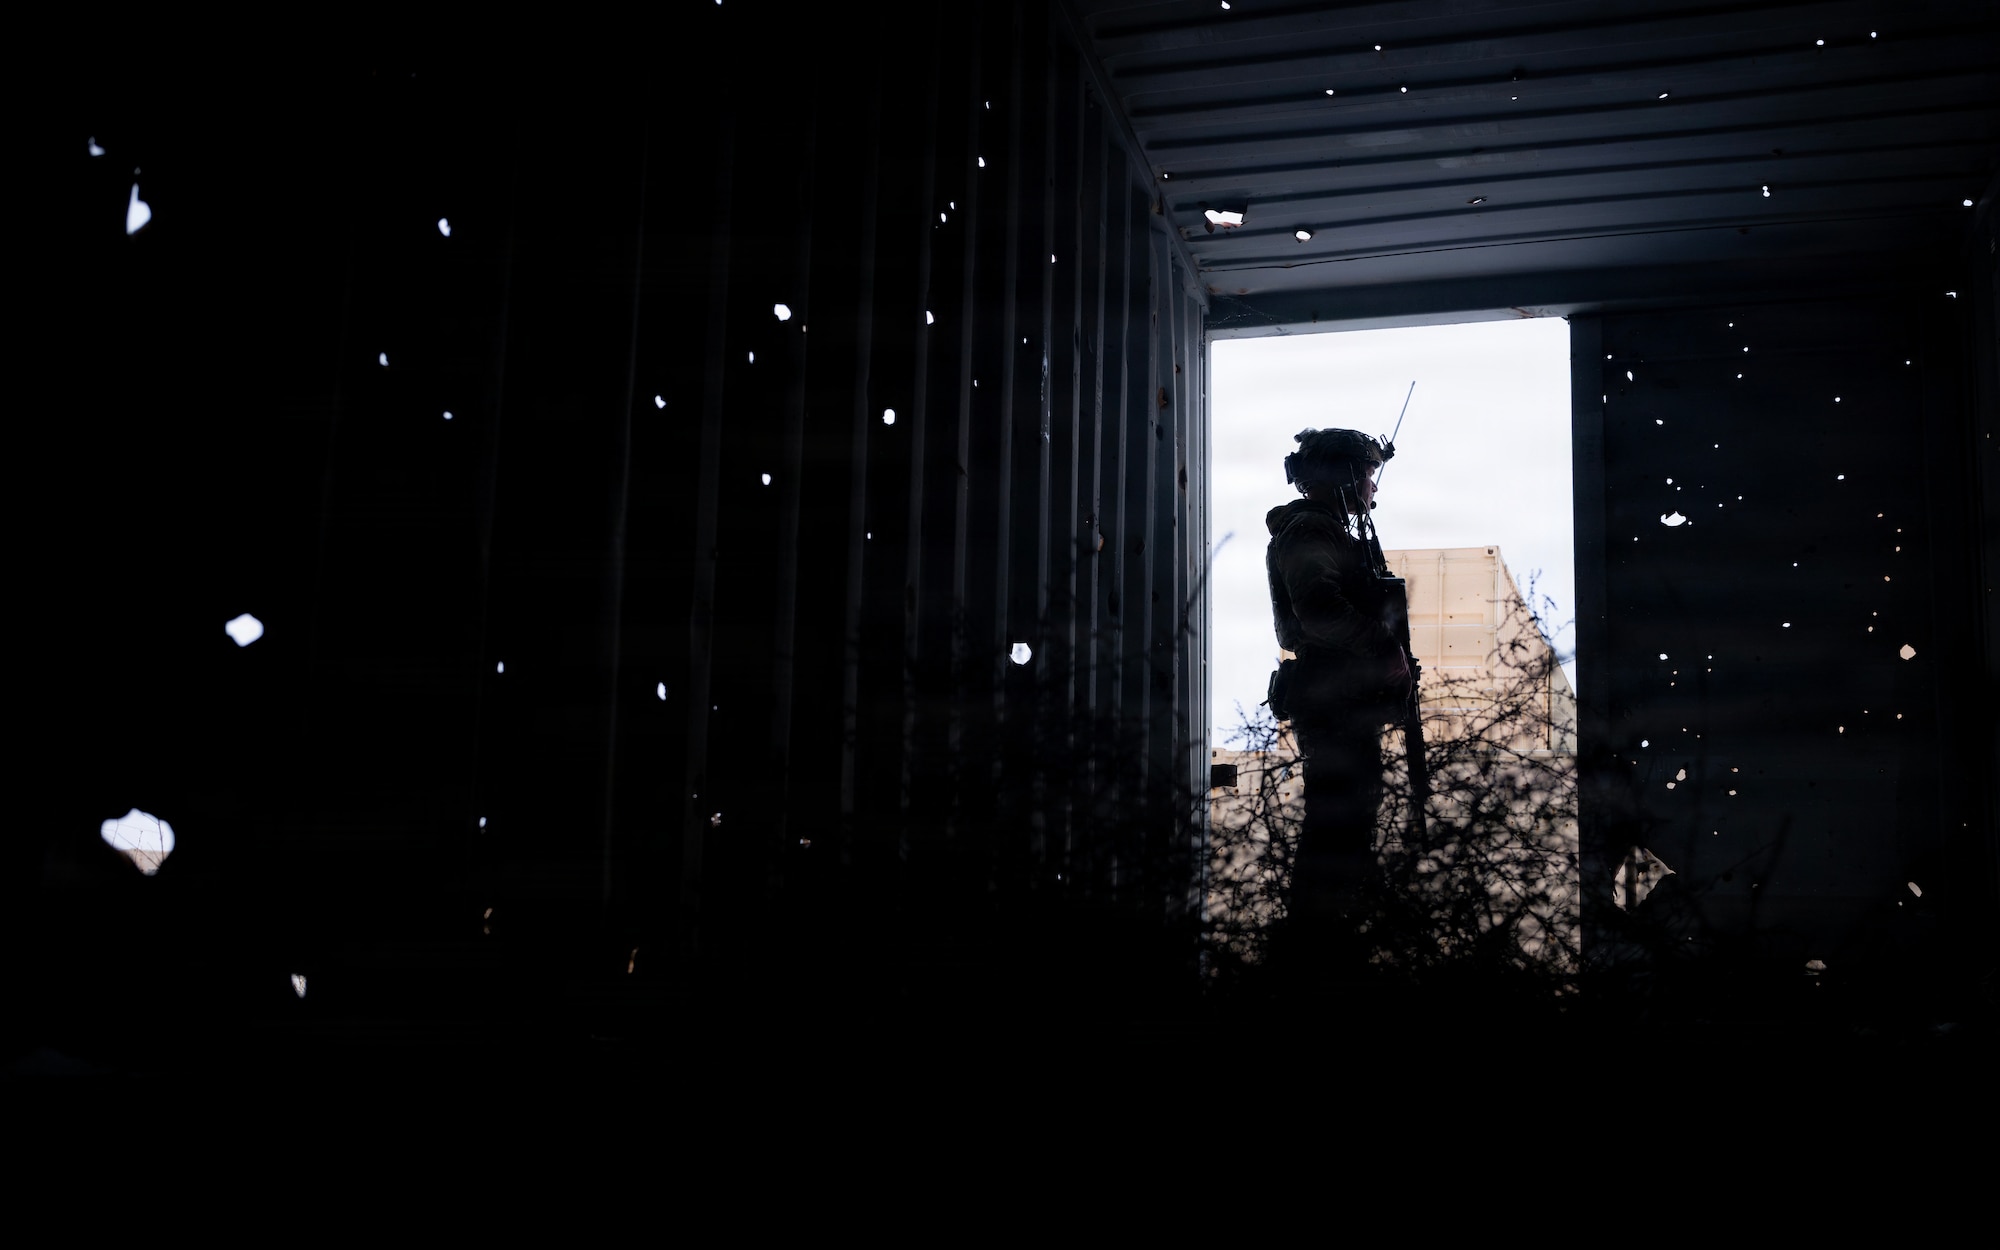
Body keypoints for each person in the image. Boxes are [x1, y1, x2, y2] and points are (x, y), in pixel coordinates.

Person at [1265, 428, 1412, 940]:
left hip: (1344, 697)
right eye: (1368, 474)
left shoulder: (1328, 531)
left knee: (1348, 818)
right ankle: (1319, 938)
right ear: (1345, 477)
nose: (1374, 487)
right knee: (1334, 823)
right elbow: (1320, 612)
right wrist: (1381, 646)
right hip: (1330, 696)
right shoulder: (1310, 531)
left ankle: (1338, 922)